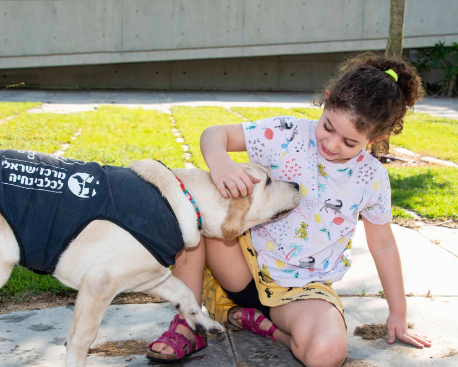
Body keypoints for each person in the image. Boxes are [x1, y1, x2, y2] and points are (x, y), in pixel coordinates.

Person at [147, 53, 432, 367]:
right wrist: (221, 164)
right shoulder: (287, 134)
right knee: (195, 208)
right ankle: (190, 323)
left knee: (327, 353)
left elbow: (383, 244)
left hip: (301, 292)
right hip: (238, 262)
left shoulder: (372, 178)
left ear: (376, 138)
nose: (333, 144)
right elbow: (215, 134)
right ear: (325, 102)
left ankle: (270, 328)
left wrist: (398, 311)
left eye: (350, 142)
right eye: (328, 127)